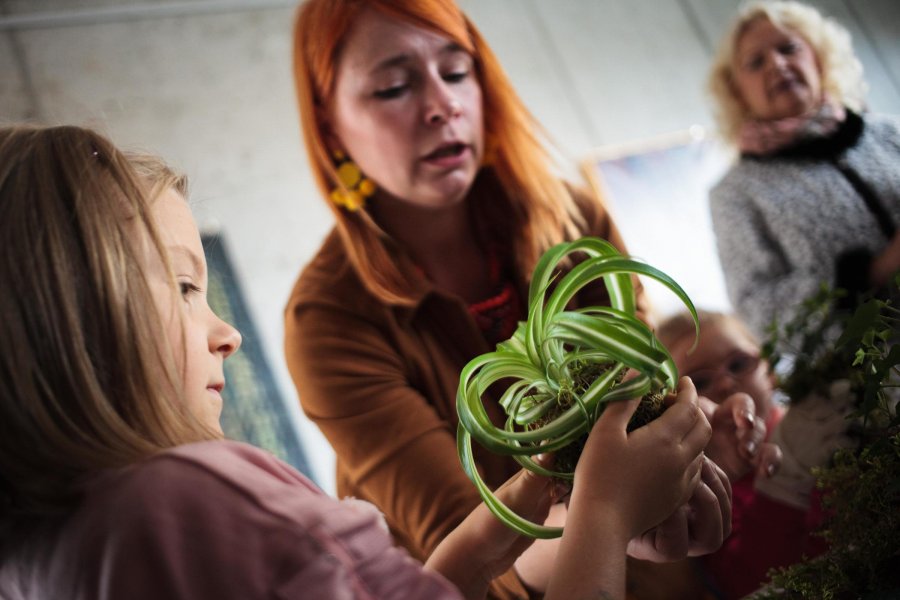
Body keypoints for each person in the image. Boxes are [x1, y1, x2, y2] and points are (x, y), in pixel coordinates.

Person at [0, 124, 729, 600]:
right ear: (69, 318)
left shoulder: (52, 546)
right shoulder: (186, 499)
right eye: (187, 286)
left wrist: (500, 534)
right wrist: (603, 515)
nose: (228, 334)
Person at [284, 1, 733, 597]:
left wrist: (700, 442)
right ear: (329, 122)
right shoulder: (329, 320)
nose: (443, 106)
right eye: (393, 86)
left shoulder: (571, 217)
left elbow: (638, 393)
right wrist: (612, 509)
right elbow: (467, 554)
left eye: (456, 71)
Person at [707, 0, 900, 345]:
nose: (777, 64)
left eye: (788, 48)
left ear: (819, 57)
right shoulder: (736, 193)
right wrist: (872, 272)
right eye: (756, 62)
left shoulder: (889, 133)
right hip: (874, 380)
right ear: (737, 91)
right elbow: (758, 314)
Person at [658, 309, 833, 600]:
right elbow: (746, 583)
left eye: (739, 364)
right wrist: (782, 489)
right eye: (699, 383)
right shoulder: (703, 488)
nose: (726, 384)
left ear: (771, 369)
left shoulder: (827, 421)